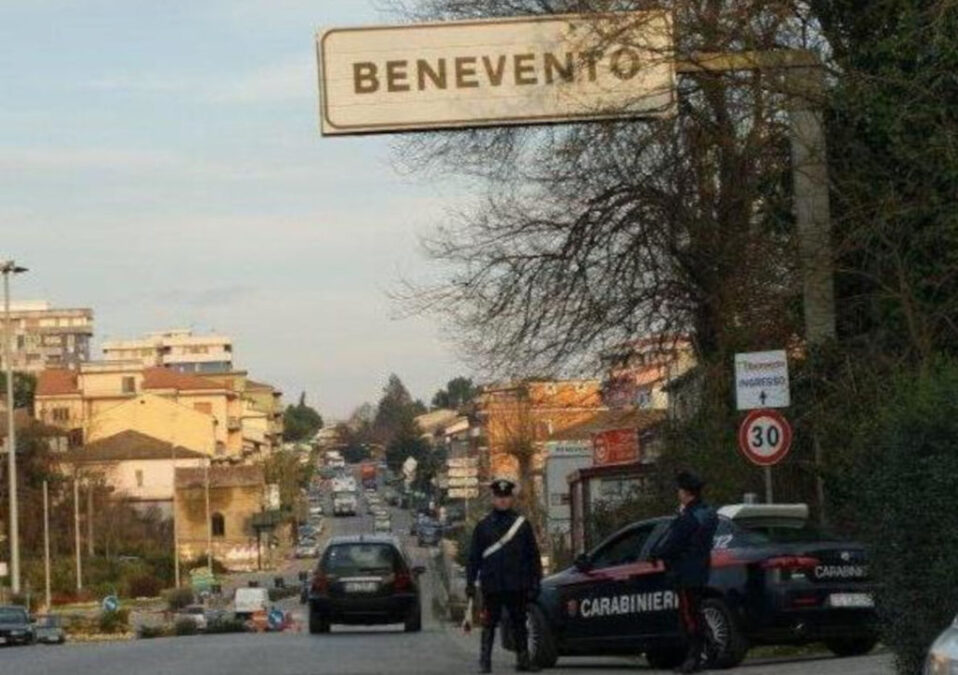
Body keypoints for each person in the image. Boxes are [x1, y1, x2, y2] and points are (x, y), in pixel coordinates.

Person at [466, 477, 543, 673]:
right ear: (493, 498)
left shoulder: (522, 524)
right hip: (492, 584)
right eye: (499, 497)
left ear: (512, 499)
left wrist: (536, 581)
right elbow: (474, 557)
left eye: (506, 496)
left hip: (517, 583)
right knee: (489, 624)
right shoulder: (483, 526)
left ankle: (523, 660)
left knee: (519, 623)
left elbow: (533, 555)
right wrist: (470, 582)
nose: (503, 500)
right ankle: (485, 663)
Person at [650, 471, 719, 674]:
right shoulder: (707, 514)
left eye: (680, 490)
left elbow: (673, 544)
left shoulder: (689, 518)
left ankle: (694, 659)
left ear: (687, 493)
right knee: (696, 614)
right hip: (700, 570)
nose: (678, 493)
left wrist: (657, 554)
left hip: (685, 573)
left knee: (689, 616)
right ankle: (711, 650)